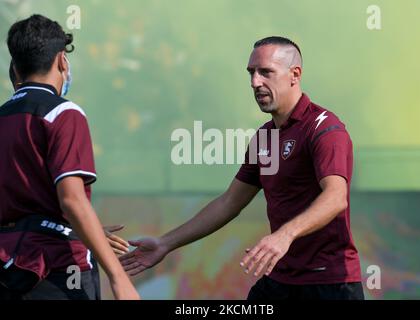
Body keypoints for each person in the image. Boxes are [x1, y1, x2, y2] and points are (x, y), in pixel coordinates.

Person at [120, 36, 364, 300]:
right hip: (280, 281)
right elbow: (229, 203)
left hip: (329, 283)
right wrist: (165, 244)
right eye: (251, 73)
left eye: (266, 72)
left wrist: (285, 235)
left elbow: (335, 198)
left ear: (295, 75)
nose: (255, 82)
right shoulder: (264, 137)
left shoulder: (324, 128)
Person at [0, 14, 139, 300]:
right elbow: (72, 199)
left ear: (14, 68)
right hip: (57, 267)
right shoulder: (63, 113)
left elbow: (29, 208)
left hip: (7, 266)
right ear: (63, 60)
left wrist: (89, 232)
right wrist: (118, 277)